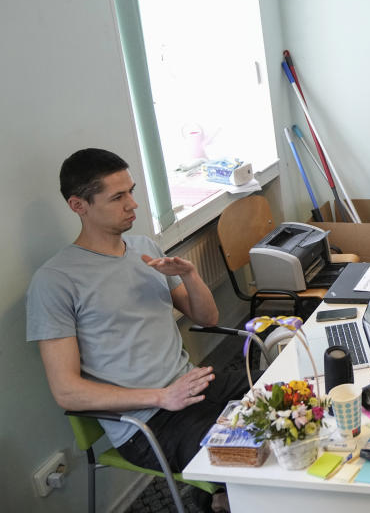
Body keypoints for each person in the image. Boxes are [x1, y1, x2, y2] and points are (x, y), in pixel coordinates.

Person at [26, 149, 245, 511]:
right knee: (254, 455)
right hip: (147, 420)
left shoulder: (143, 248)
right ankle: (222, 498)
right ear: (78, 205)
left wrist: (189, 275)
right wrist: (161, 397)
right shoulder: (55, 281)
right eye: (117, 197)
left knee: (286, 400)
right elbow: (67, 392)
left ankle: (218, 494)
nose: (133, 204)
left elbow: (206, 318)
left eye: (131, 191)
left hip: (191, 384)